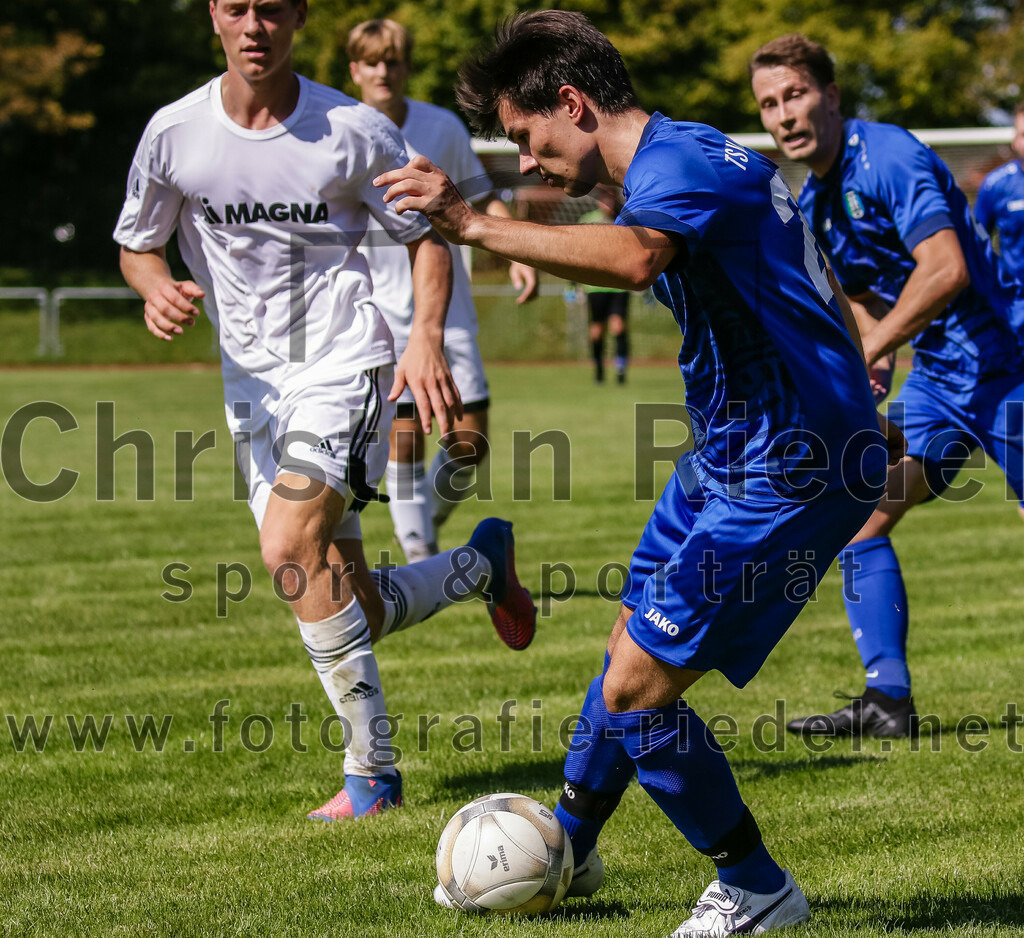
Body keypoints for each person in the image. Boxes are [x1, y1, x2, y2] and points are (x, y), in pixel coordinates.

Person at [376, 11, 900, 936]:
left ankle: (756, 885)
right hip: (734, 450)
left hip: (795, 463)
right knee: (631, 633)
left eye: (531, 141)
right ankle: (570, 843)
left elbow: (633, 256)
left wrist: (472, 222)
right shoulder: (688, 150)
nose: (531, 164)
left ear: (572, 104)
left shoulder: (675, 172)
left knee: (636, 687)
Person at [114, 0, 536, 823]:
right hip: (252, 386)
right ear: (214, 15)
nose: (254, 25)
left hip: (345, 363)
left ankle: (371, 776)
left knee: (288, 543)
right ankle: (478, 566)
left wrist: (422, 339)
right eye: (237, 8)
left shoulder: (350, 129)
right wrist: (155, 286)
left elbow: (427, 238)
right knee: (345, 599)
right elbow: (139, 242)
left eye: (271, 9)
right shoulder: (173, 132)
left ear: (298, 17)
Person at [750, 34, 1024, 739]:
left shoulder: (890, 157)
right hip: (939, 380)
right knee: (862, 520)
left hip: (1009, 369)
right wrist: (865, 361)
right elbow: (870, 296)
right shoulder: (817, 200)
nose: (783, 115)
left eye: (796, 95)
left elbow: (946, 269)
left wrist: (874, 341)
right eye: (769, 104)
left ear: (831, 96)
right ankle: (887, 702)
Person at [346, 19, 537, 563]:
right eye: (372, 61)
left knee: (469, 443)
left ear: (406, 67)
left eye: (394, 60)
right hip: (381, 312)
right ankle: (419, 551)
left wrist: (515, 251)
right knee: (405, 434)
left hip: (447, 307)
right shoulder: (340, 130)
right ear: (355, 69)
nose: (384, 70)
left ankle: (419, 529)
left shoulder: (442, 127)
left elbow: (481, 194)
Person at [577, 185, 631, 384]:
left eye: (610, 201)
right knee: (597, 330)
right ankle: (599, 371)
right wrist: (571, 285)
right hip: (596, 287)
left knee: (618, 327)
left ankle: (621, 370)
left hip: (619, 285)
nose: (607, 204)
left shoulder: (623, 222)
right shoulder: (587, 221)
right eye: (604, 200)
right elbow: (576, 255)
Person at [975, 102, 1024, 283]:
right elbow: (978, 241)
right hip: (1016, 301)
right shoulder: (995, 185)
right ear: (1015, 140)